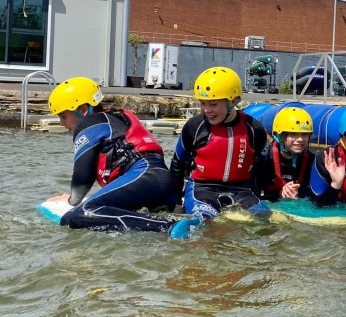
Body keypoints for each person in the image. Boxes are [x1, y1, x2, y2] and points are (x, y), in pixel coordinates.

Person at [46, 77, 200, 239]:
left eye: (63, 116)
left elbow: (83, 177)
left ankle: (167, 227)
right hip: (163, 185)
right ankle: (170, 223)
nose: (62, 123)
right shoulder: (118, 117)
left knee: (76, 216)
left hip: (145, 177)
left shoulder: (88, 124)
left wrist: (70, 202)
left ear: (83, 109)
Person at [170, 66, 272, 217]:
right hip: (202, 188)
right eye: (202, 103)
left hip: (241, 190)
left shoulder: (254, 129)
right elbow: (177, 165)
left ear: (233, 101)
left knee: (262, 219)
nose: (206, 110)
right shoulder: (194, 127)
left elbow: (265, 167)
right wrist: (175, 203)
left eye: (213, 104)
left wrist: (263, 196)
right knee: (205, 221)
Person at [260, 106, 315, 202]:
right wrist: (279, 195)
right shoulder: (265, 159)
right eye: (293, 134)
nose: (300, 139)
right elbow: (255, 192)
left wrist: (299, 196)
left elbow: (315, 194)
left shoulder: (312, 161)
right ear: (280, 137)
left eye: (305, 134)